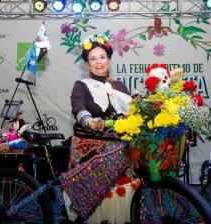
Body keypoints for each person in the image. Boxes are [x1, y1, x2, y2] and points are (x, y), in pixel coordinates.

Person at [59, 34, 137, 224]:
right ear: (87, 64)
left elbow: (132, 111)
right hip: (91, 152)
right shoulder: (82, 86)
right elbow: (78, 107)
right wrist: (88, 120)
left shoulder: (120, 86)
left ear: (108, 60)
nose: (98, 62)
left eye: (102, 57)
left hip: (120, 149)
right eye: (93, 59)